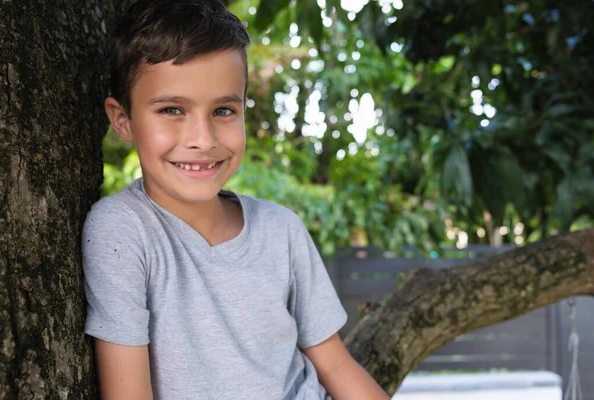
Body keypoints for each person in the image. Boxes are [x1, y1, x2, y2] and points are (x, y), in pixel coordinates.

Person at [82, 0, 390, 399]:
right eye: (172, 109)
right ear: (122, 119)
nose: (203, 139)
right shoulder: (121, 230)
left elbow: (335, 364)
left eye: (224, 110)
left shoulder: (281, 229)